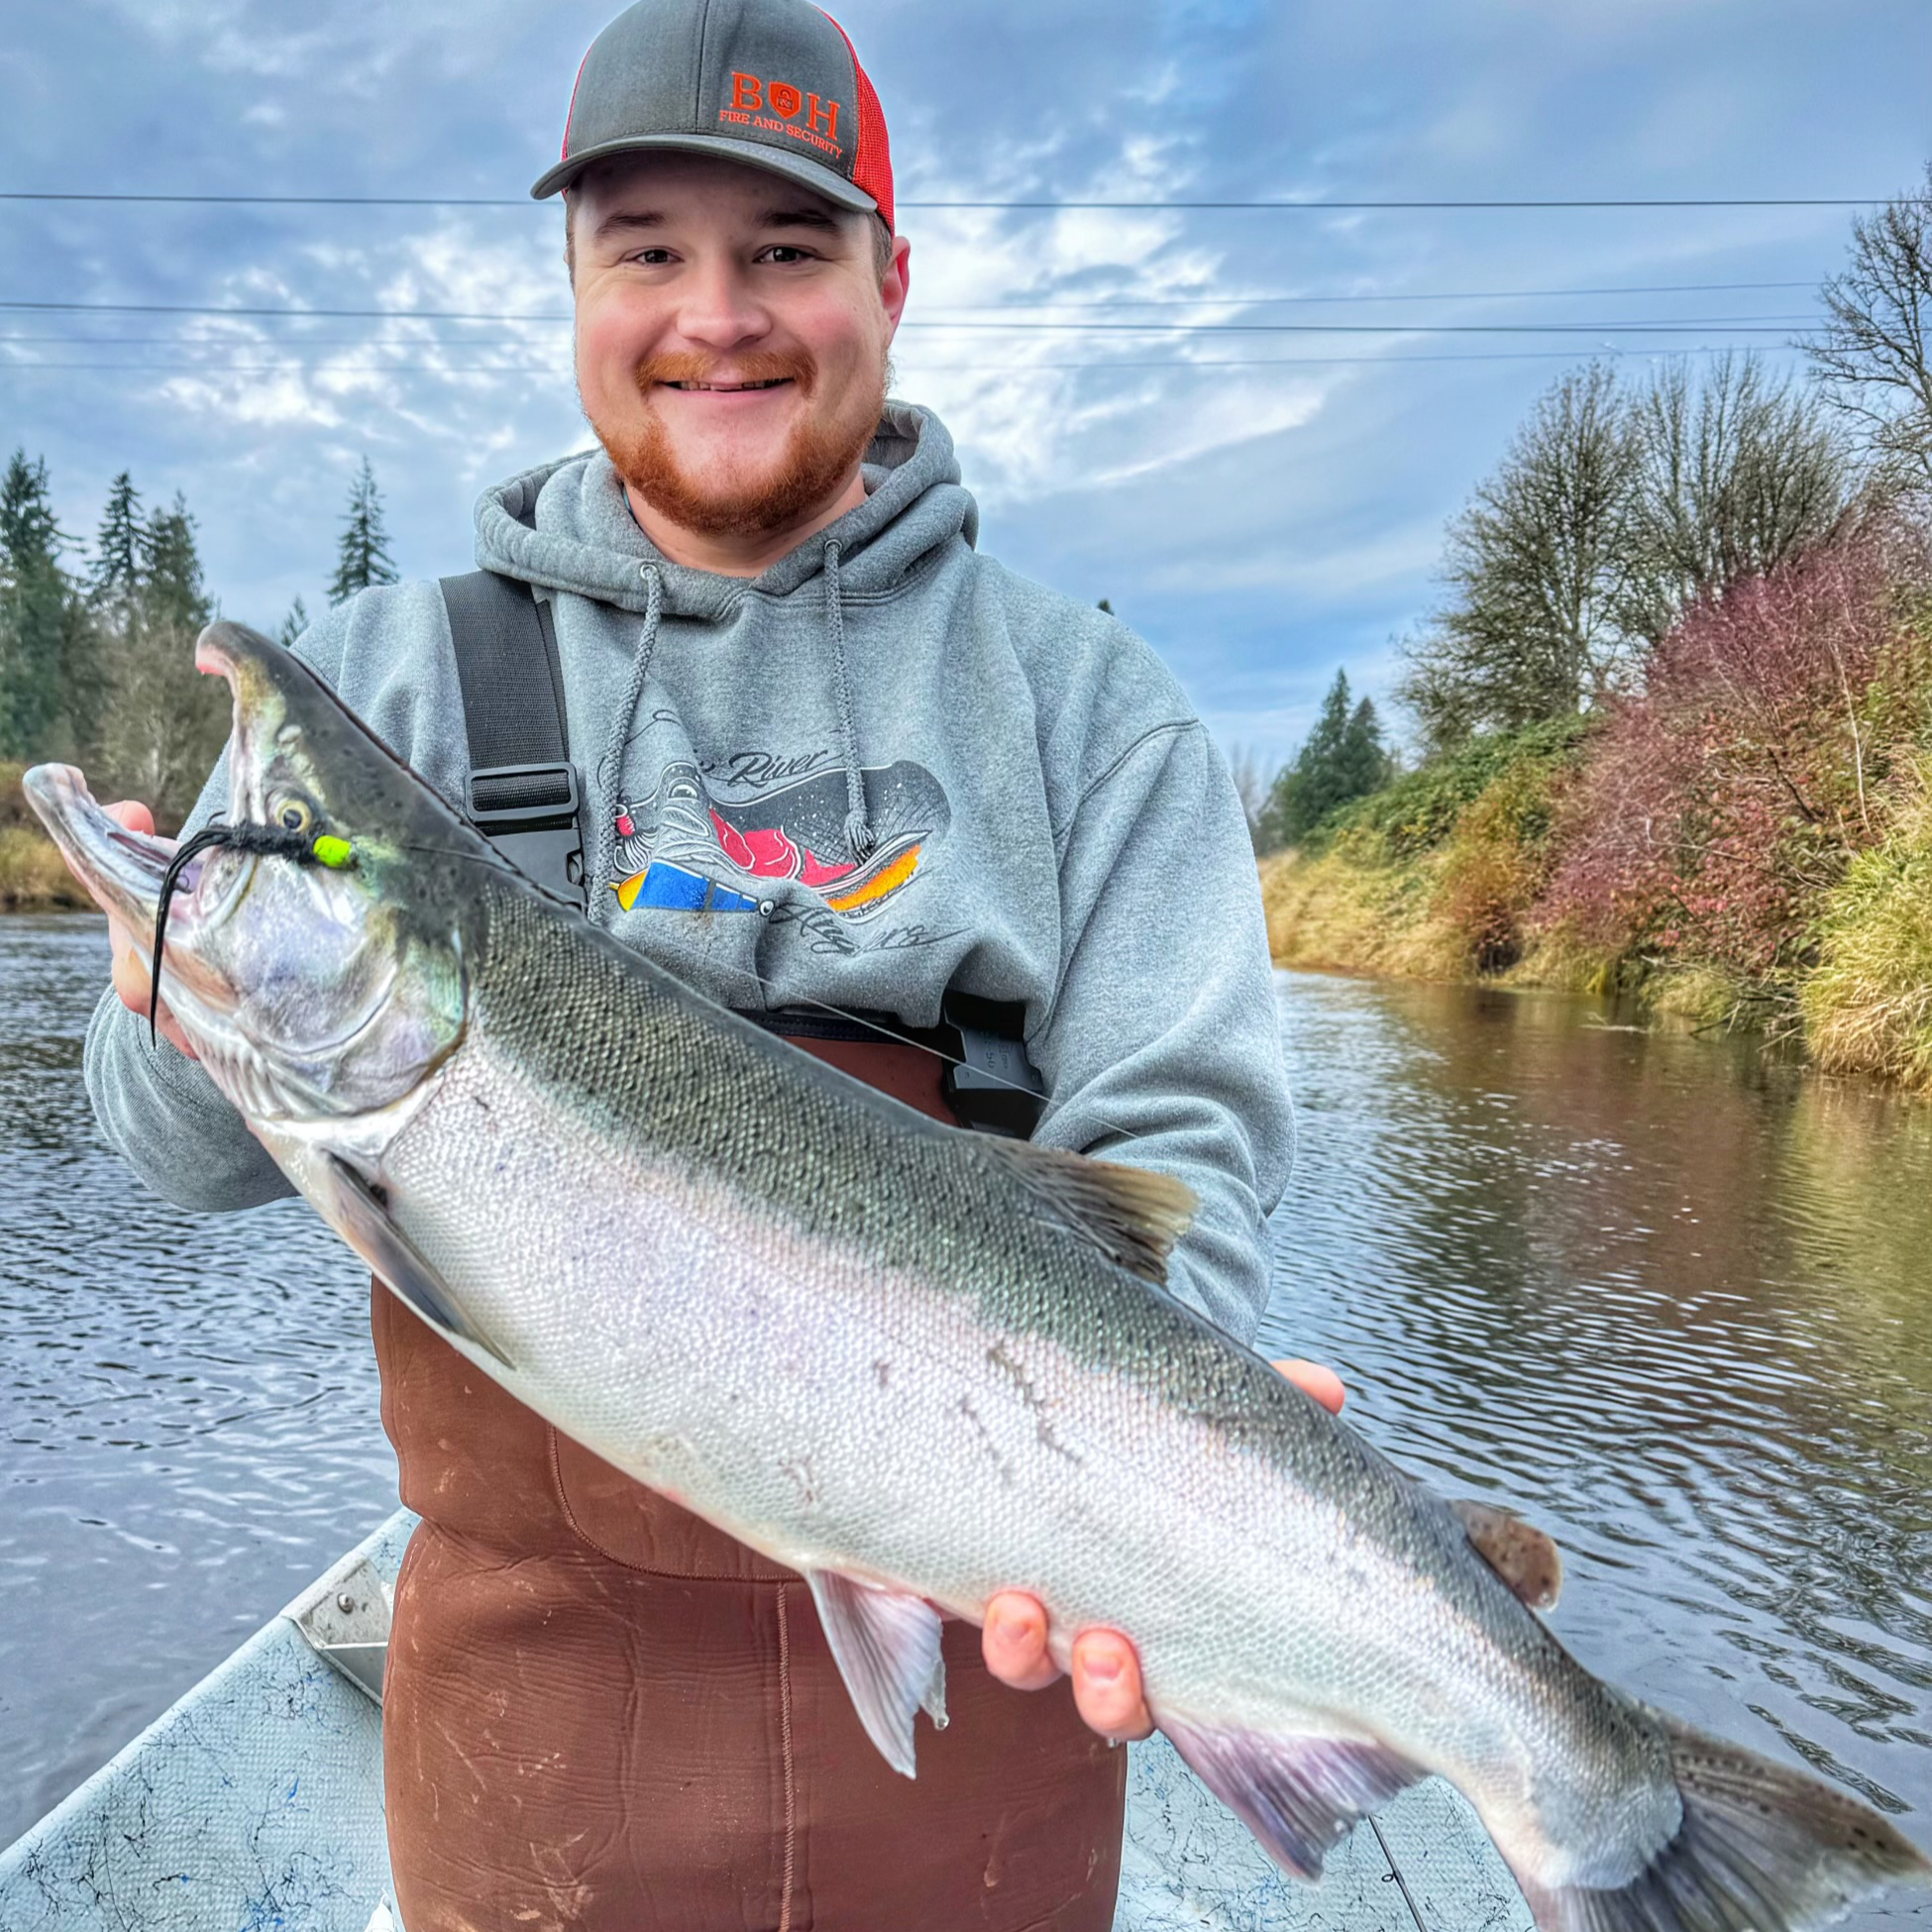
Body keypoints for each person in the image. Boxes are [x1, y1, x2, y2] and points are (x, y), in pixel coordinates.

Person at [76, 1, 1333, 1925]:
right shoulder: (391, 680)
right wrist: (190, 974)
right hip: (530, 1779)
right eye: (648, 250)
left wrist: (1184, 1454)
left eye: (786, 249)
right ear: (576, 284)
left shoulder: (1092, 713)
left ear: (890, 282)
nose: (716, 315)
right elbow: (176, 1158)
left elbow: (1185, 1159)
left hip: (994, 1707)